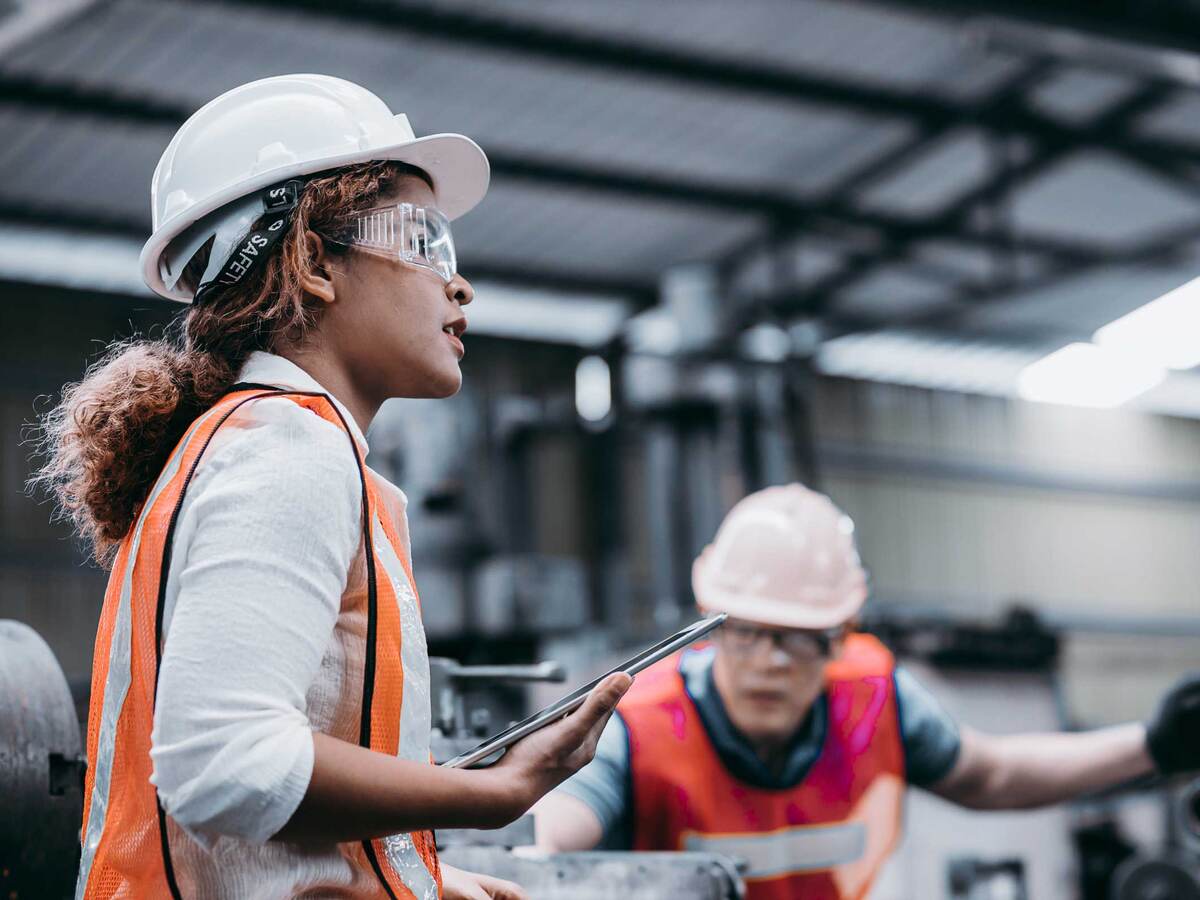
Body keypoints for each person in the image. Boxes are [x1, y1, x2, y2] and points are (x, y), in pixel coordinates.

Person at [33, 74, 629, 900]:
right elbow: (222, 764)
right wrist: (491, 794)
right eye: (425, 242)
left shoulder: (256, 443)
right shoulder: (287, 449)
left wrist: (415, 873)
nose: (459, 287)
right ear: (313, 261)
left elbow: (235, 818)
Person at [533, 483, 1200, 900]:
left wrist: (1154, 745)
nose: (769, 661)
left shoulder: (878, 701)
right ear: (711, 623)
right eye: (746, 632)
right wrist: (516, 856)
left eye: (797, 637)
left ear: (839, 636)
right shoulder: (642, 726)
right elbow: (554, 829)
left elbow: (989, 774)